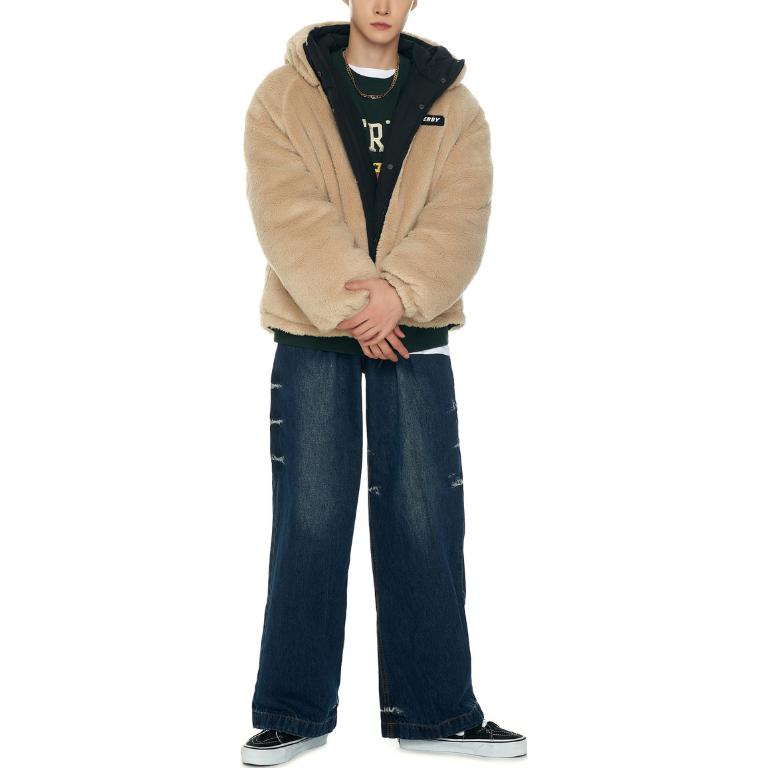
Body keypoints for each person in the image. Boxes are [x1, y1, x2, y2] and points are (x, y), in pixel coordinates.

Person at [240, 3, 526, 764]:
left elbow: (461, 215)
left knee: (425, 519)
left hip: (415, 336)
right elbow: (284, 207)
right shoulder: (283, 94)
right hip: (313, 335)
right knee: (309, 521)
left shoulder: (455, 106)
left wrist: (398, 295)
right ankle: (292, 713)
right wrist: (356, 307)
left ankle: (440, 715)